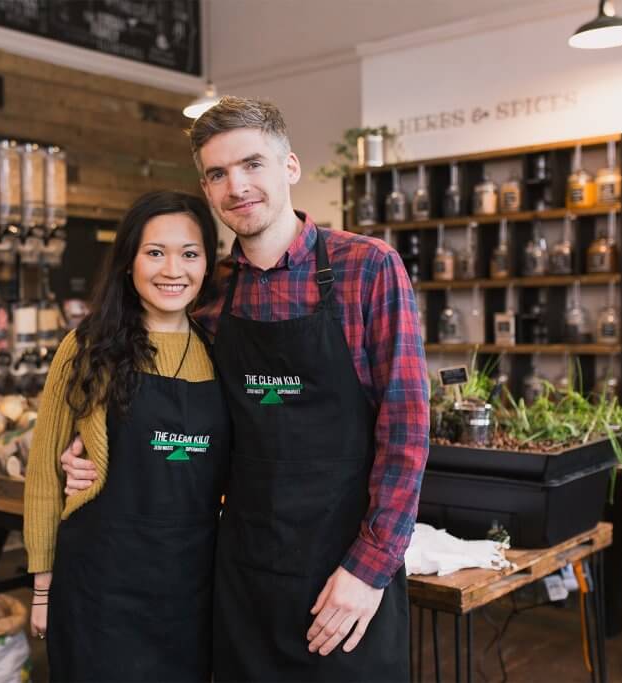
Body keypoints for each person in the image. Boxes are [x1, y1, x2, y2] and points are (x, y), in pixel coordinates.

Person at [61, 97, 429, 681]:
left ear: (289, 167)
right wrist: (91, 454)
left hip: (346, 576)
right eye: (217, 173)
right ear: (207, 189)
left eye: (252, 164)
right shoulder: (207, 297)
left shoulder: (368, 268)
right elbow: (181, 422)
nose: (237, 185)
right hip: (242, 579)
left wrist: (370, 568)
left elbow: (406, 433)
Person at [23, 190, 230, 681]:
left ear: (207, 265)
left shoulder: (223, 353)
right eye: (155, 252)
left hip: (191, 589)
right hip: (100, 586)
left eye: (190, 253)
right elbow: (44, 475)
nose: (172, 270)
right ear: (128, 261)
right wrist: (42, 588)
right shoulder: (87, 347)